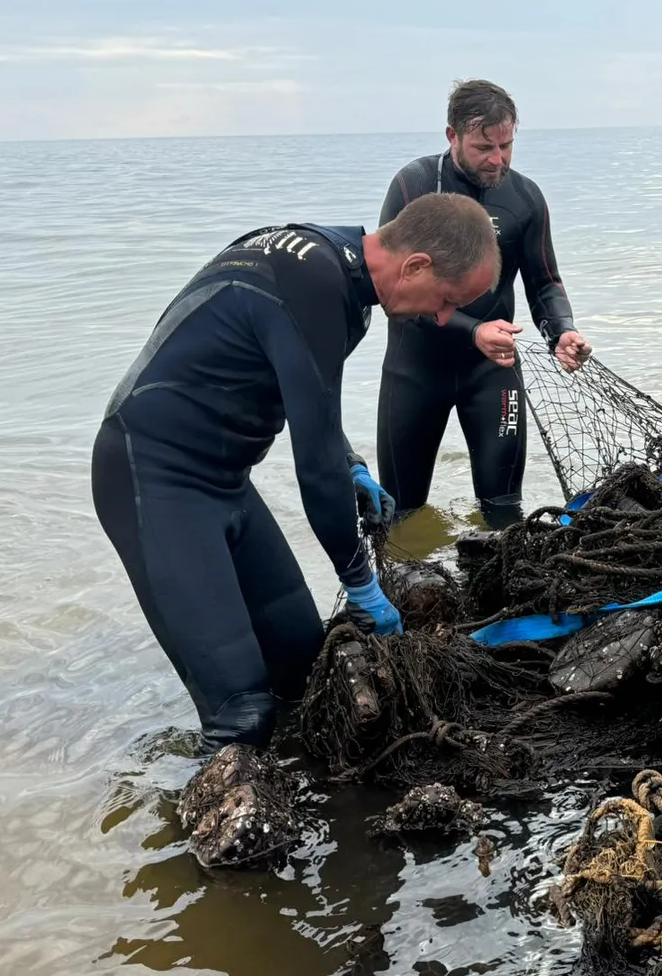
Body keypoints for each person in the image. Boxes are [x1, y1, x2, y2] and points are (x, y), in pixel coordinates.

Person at [91, 193, 501, 752]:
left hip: (226, 481)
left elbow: (313, 409)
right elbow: (312, 467)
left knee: (301, 672)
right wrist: (360, 582)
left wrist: (351, 465)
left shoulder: (339, 271)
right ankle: (199, 824)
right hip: (151, 477)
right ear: (417, 266)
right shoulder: (313, 282)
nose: (443, 316)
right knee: (243, 715)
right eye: (449, 299)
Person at [376, 79, 590, 529]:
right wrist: (472, 330)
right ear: (452, 136)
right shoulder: (413, 188)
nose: (498, 159)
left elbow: (545, 282)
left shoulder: (525, 198)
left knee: (504, 517)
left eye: (506, 145)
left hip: (493, 372)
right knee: (401, 518)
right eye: (483, 147)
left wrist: (562, 331)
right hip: (414, 371)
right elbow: (393, 294)